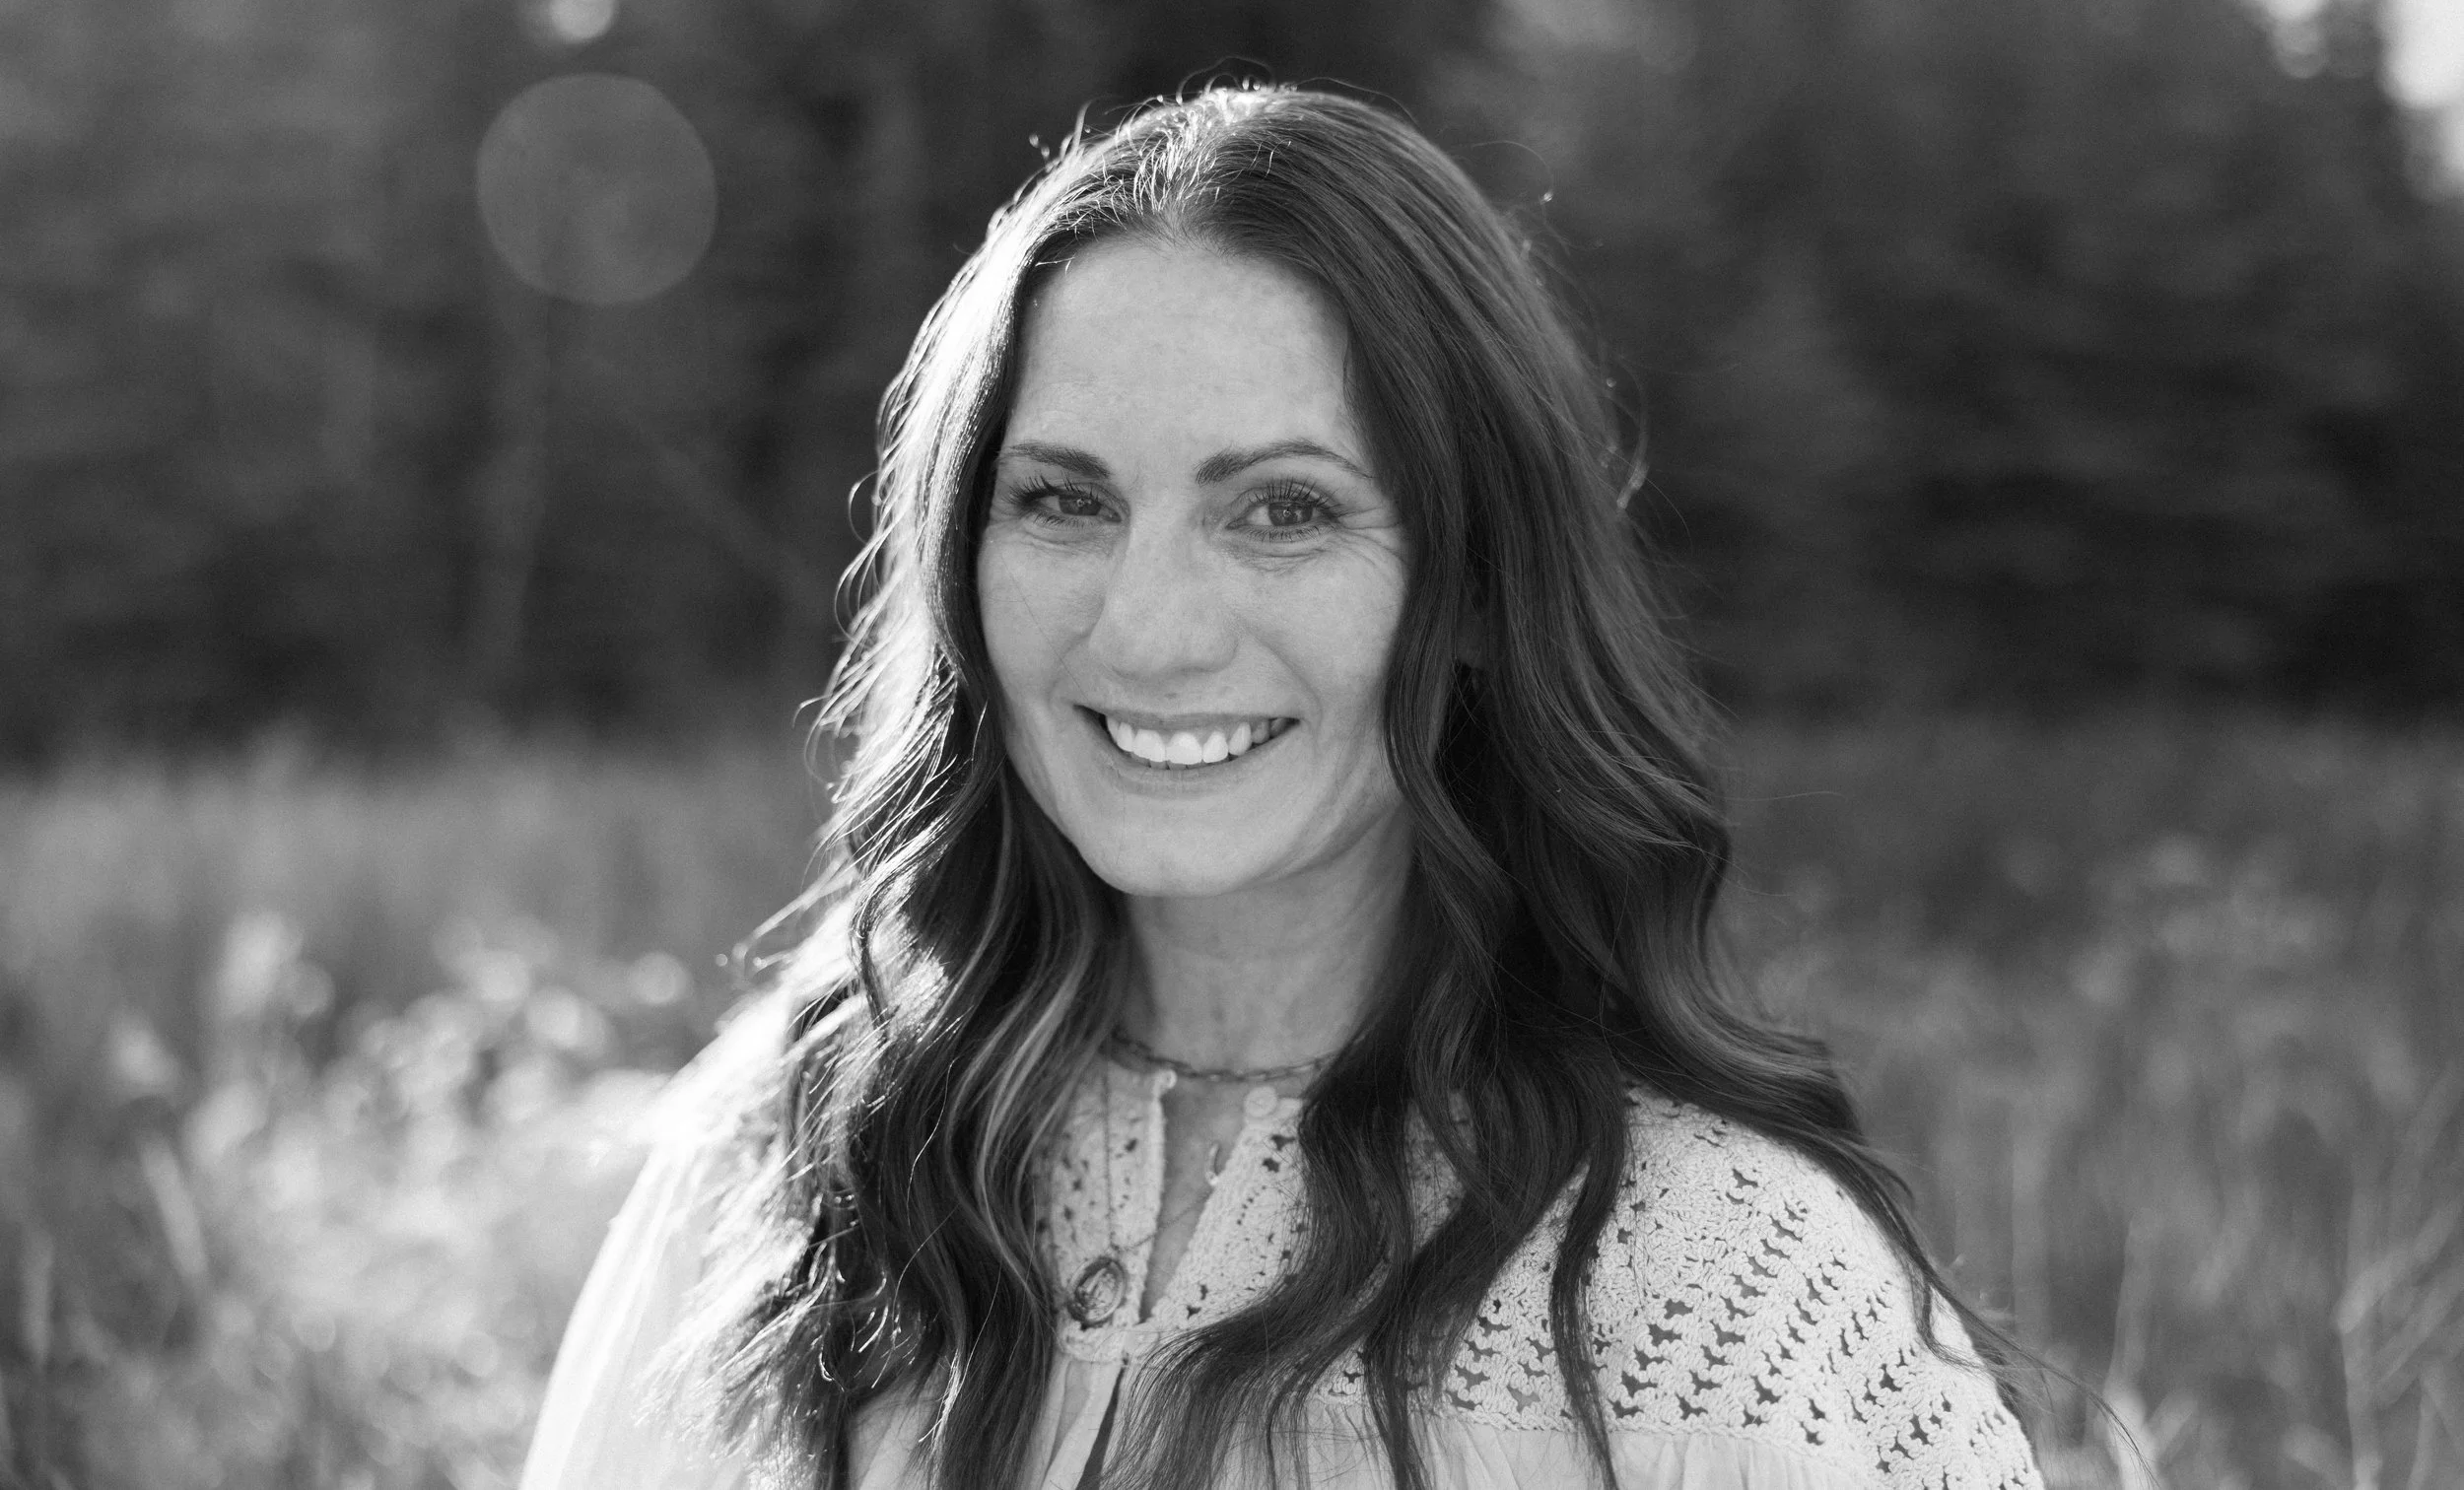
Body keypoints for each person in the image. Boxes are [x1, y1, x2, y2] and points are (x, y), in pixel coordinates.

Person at [518, 87, 2047, 1490]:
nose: (1147, 629)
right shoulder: (783, 1156)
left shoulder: (1724, 1285)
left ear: (1474, 594)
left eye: (1283, 511)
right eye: (1061, 499)